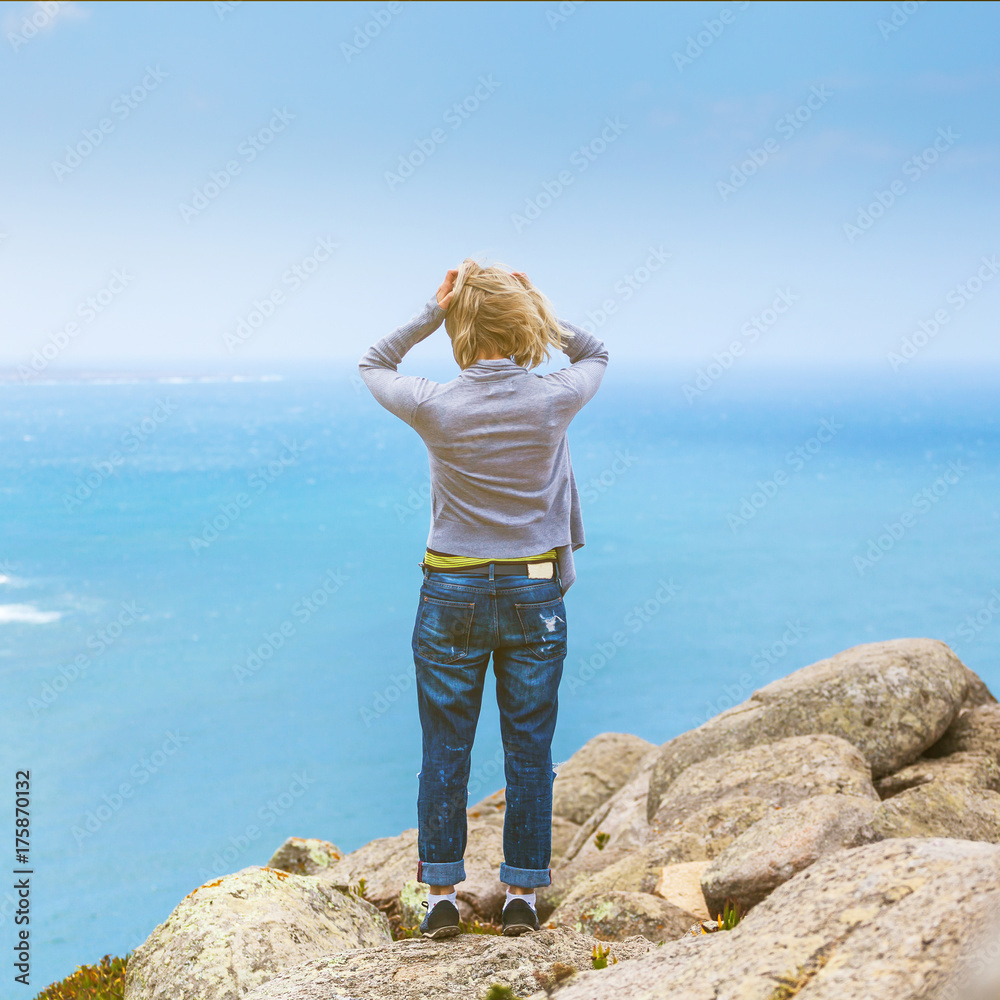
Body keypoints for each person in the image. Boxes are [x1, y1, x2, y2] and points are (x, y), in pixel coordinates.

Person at [357, 258, 608, 937]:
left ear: (459, 330)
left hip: (452, 591)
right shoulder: (554, 398)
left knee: (445, 749)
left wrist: (432, 312)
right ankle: (521, 896)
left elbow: (374, 363)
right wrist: (536, 303)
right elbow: (596, 351)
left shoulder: (434, 405)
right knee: (529, 750)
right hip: (533, 592)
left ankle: (442, 894)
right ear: (522, 325)